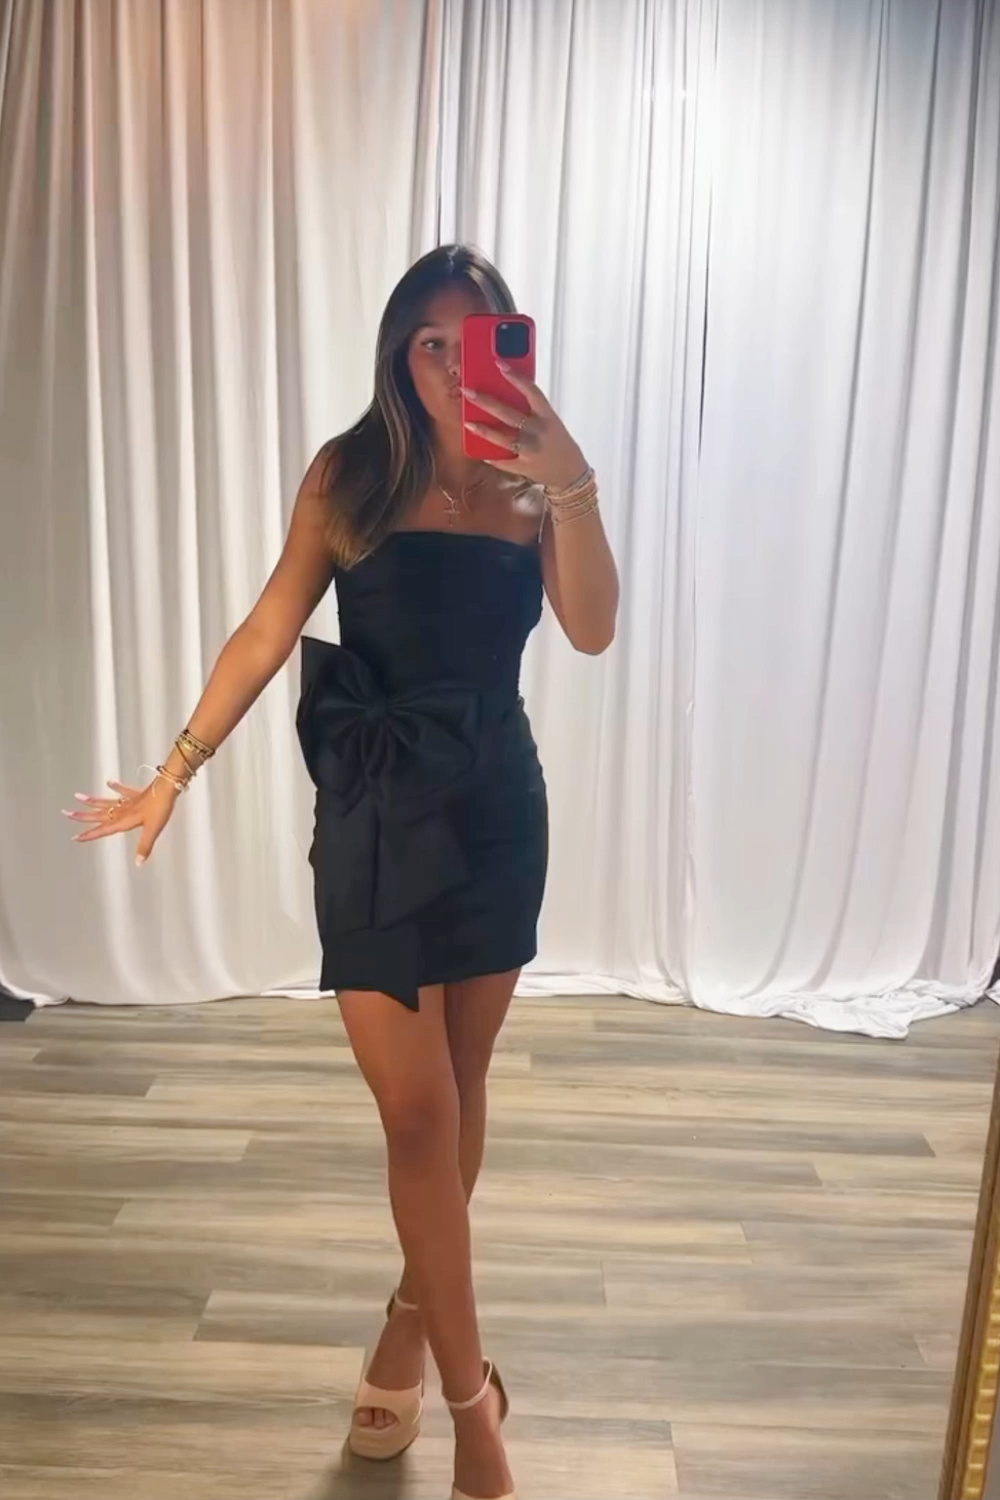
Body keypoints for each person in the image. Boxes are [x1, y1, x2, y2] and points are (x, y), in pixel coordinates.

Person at [67, 244, 618, 1500]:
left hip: (496, 810)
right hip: (372, 810)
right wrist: (175, 770)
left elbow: (591, 628)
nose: (451, 368)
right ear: (397, 353)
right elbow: (272, 622)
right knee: (415, 1114)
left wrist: (573, 478)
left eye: (476, 343)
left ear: (512, 348)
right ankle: (476, 1415)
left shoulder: (538, 483)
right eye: (430, 345)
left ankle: (411, 1326)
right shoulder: (349, 473)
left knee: (459, 1092)